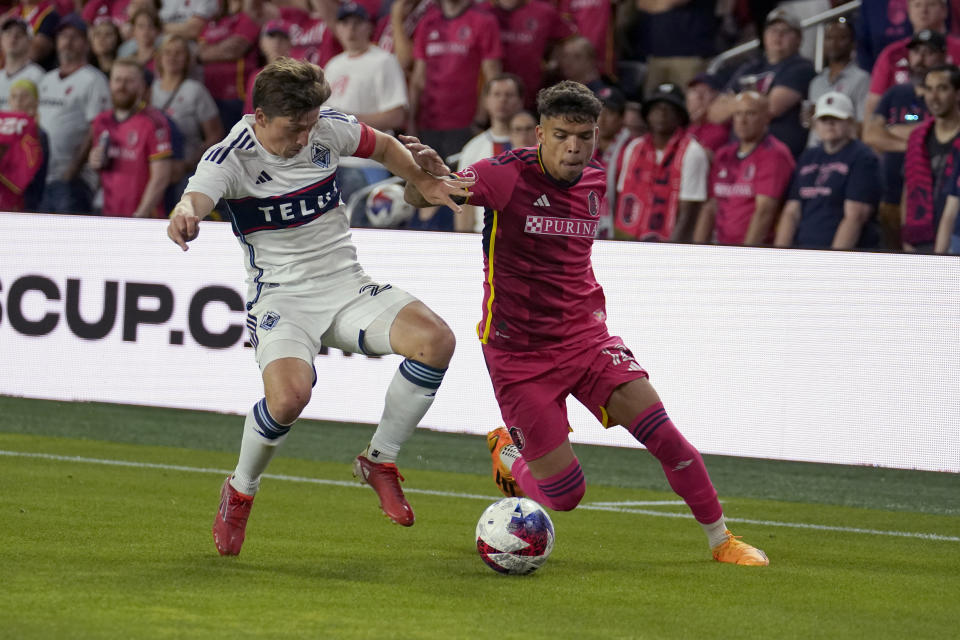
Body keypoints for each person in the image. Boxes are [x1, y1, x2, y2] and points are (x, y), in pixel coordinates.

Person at [404, 80, 769, 566]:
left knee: (665, 436)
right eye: (561, 135)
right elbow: (423, 197)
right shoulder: (502, 175)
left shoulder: (596, 180)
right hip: (519, 355)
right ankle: (508, 454)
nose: (574, 147)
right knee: (565, 495)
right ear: (539, 134)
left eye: (585, 135)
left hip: (587, 340)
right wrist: (423, 177)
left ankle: (722, 540)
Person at [165, 58, 474, 556]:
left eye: (312, 124)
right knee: (288, 400)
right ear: (260, 117)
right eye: (295, 127)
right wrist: (184, 216)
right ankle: (240, 491)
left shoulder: (325, 127)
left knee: (436, 342)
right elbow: (195, 198)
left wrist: (426, 180)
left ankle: (380, 460)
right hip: (282, 300)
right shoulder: (229, 158)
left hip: (346, 286)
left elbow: (386, 145)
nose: (307, 137)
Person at [863, 28, 944, 251]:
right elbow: (870, 134)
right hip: (891, 195)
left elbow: (946, 132)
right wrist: (917, 144)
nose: (921, 58)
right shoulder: (895, 94)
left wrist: (895, 130)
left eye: (929, 52)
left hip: (933, 197)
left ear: (942, 56)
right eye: (916, 52)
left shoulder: (949, 96)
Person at [324, 2, 408, 204]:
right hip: (332, 163)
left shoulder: (384, 61)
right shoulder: (333, 65)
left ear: (369, 27)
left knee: (363, 228)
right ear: (337, 28)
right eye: (345, 24)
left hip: (367, 162)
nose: (351, 29)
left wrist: (346, 120)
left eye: (357, 23)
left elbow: (396, 115)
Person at [775, 91, 882, 250]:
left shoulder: (863, 158)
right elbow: (792, 211)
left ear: (850, 123)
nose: (829, 125)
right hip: (804, 249)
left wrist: (832, 261)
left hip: (846, 255)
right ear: (816, 124)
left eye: (836, 119)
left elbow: (855, 216)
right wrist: (779, 255)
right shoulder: (808, 156)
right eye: (824, 119)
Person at [709, 8, 816, 159]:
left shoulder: (801, 68)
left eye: (785, 31)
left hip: (776, 155)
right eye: (772, 30)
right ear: (764, 35)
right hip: (740, 154)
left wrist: (737, 101)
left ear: (799, 39)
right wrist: (752, 102)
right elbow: (715, 113)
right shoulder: (751, 67)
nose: (778, 36)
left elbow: (770, 108)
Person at [695, 91, 795, 246]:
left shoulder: (774, 154)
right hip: (721, 246)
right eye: (737, 114)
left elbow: (764, 212)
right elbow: (710, 207)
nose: (742, 121)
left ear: (766, 118)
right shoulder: (723, 154)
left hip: (755, 251)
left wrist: (745, 255)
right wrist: (696, 251)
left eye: (750, 113)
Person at [614, 82, 709, 243]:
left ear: (680, 116)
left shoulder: (693, 152)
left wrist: (669, 252)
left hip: (670, 245)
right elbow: (622, 199)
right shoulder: (635, 147)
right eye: (656, 108)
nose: (662, 114)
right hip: (631, 242)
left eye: (669, 109)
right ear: (648, 115)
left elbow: (689, 213)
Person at [409, 0, 502, 162]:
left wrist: (480, 120)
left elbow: (492, 77)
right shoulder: (427, 22)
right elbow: (418, 78)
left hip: (465, 124)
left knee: (459, 182)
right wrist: (411, 120)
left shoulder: (484, 21)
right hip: (428, 124)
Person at [37, 13, 111, 214]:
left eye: (75, 37)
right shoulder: (46, 80)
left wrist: (72, 171)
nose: (68, 42)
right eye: (63, 36)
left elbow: (97, 127)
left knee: (68, 241)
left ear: (86, 44)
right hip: (43, 176)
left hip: (75, 180)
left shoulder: (94, 80)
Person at [90, 57, 172, 217]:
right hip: (109, 214)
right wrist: (93, 160)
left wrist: (140, 215)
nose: (122, 86)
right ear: (110, 83)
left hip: (143, 217)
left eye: (129, 81)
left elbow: (161, 177)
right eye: (118, 80)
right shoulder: (101, 121)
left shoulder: (154, 122)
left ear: (141, 86)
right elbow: (100, 165)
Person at [863, 0, 960, 123]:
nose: (923, 11)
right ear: (908, 10)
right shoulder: (891, 54)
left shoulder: (958, 49)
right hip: (903, 121)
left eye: (931, 4)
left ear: (944, 10)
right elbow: (872, 111)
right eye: (917, 5)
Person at [454, 73, 524, 233]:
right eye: (496, 94)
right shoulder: (473, 149)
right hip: (483, 235)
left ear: (520, 101)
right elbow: (463, 199)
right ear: (486, 101)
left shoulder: (535, 146)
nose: (502, 100)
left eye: (509, 95)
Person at [902, 63, 960, 252]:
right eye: (929, 89)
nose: (934, 97)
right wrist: (907, 237)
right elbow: (908, 189)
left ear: (957, 93)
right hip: (921, 239)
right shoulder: (918, 137)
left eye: (942, 89)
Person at [151, 34, 222, 185]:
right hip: (153, 165)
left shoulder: (196, 90)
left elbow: (215, 135)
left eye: (179, 53)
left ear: (187, 59)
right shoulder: (148, 90)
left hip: (186, 167)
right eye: (168, 52)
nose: (172, 57)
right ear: (159, 57)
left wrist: (188, 164)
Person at [488, 0, 576, 111]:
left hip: (532, 96)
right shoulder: (483, 12)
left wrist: (553, 63)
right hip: (491, 100)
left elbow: (569, 40)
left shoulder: (544, 12)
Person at [806, 17, 870, 146]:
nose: (834, 43)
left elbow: (864, 126)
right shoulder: (816, 82)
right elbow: (812, 125)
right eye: (829, 38)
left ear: (853, 44)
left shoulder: (862, 79)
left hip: (845, 152)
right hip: (815, 152)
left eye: (841, 38)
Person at [196, 0, 259, 131]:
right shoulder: (211, 22)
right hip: (210, 96)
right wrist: (224, 47)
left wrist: (210, 50)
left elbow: (235, 50)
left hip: (236, 97)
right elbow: (200, 54)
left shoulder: (247, 18)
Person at [0, 78, 44, 211]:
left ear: (35, 102)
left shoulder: (40, 134)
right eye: (14, 96)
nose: (18, 101)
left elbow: (36, 175)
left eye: (24, 97)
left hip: (24, 199)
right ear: (9, 101)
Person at [0, 17, 45, 111]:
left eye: (19, 34)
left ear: (30, 42)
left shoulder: (38, 75)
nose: (13, 38)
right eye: (8, 33)